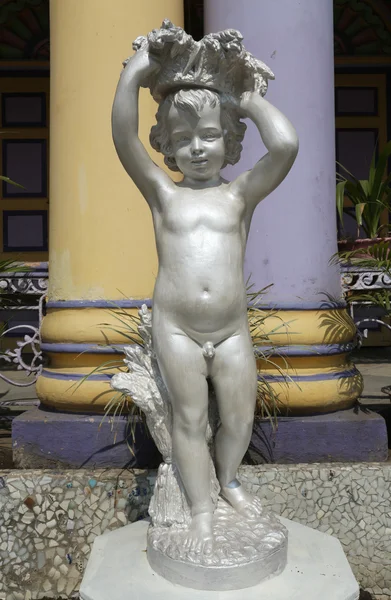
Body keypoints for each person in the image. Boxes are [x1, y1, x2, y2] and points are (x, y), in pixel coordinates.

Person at [112, 46, 298, 555]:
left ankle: (230, 482)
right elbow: (123, 137)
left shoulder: (239, 195)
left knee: (238, 418)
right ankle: (200, 512)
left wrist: (248, 99)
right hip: (177, 328)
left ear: (230, 139)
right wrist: (133, 74)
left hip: (231, 328)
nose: (197, 148)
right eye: (183, 139)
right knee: (189, 420)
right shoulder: (162, 194)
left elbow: (284, 146)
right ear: (167, 147)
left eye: (210, 135)